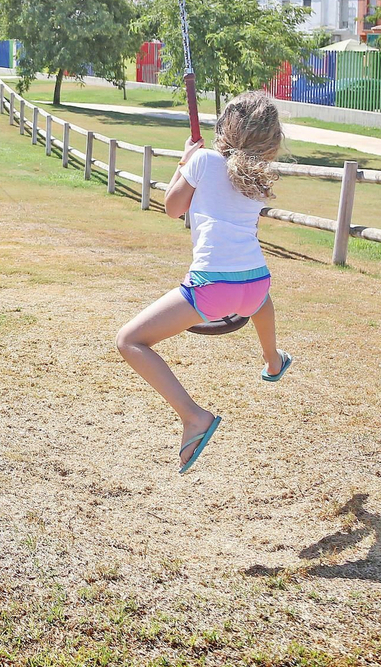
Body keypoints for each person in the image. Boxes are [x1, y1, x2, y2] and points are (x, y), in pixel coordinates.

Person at [113, 91, 291, 474]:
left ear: (226, 127)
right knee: (258, 295)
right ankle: (272, 359)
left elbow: (173, 208)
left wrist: (185, 161)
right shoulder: (258, 178)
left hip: (213, 287)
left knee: (129, 341)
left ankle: (194, 417)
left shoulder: (205, 161)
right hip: (257, 285)